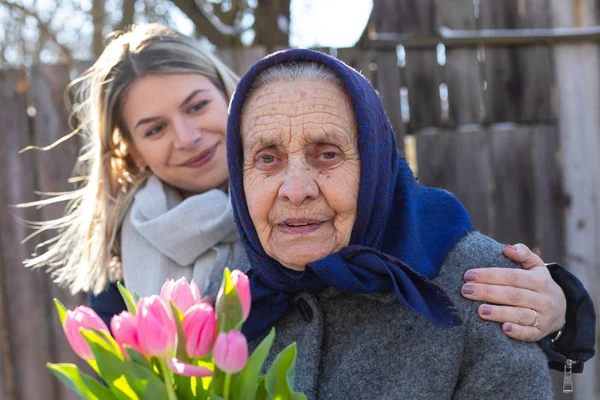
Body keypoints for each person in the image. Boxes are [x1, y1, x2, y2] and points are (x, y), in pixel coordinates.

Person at [21, 24, 592, 376]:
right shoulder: (122, 275)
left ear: (230, 95)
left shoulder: (337, 211)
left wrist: (562, 312)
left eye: (196, 106)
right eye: (154, 128)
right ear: (132, 152)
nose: (187, 137)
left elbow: (455, 293)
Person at [225, 49, 555, 398]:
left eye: (327, 154)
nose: (296, 190)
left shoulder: (479, 286)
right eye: (267, 158)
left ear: (374, 164)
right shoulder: (229, 299)